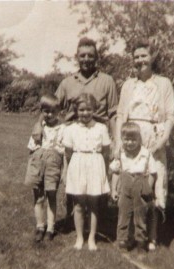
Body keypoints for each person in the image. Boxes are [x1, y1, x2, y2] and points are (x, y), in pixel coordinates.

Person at [32, 37, 118, 223]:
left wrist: (116, 141)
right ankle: (73, 216)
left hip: (98, 136)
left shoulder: (107, 81)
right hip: (73, 137)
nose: (86, 59)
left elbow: (113, 114)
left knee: (98, 178)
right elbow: (50, 106)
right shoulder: (67, 82)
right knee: (72, 177)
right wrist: (38, 124)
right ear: (77, 57)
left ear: (96, 58)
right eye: (83, 55)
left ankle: (98, 219)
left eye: (90, 55)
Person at [115, 39, 174, 250]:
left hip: (154, 137)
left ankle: (152, 236)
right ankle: (131, 235)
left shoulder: (164, 83)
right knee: (132, 186)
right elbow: (121, 114)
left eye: (144, 55)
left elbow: (170, 115)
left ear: (152, 58)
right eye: (136, 57)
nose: (140, 60)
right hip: (131, 137)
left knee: (152, 186)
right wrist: (117, 143)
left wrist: (163, 139)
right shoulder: (128, 85)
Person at [63, 93, 111, 251]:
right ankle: (79, 237)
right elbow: (68, 152)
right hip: (77, 164)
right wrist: (68, 170)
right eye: (81, 110)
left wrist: (103, 172)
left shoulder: (101, 128)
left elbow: (105, 151)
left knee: (93, 204)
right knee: (78, 204)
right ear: (76, 110)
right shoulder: (70, 129)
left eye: (89, 110)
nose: (85, 113)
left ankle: (91, 238)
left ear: (94, 110)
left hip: (95, 164)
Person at [110, 122, 157, 252]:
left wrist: (147, 189)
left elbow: (153, 173)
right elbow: (115, 172)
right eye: (126, 139)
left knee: (140, 215)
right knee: (123, 214)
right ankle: (123, 241)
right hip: (125, 186)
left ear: (139, 139)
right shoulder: (120, 154)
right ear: (122, 139)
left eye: (133, 139)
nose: (130, 143)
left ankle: (141, 242)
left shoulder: (146, 154)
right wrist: (114, 189)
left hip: (140, 185)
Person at [24, 95, 65, 242]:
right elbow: (32, 150)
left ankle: (51, 228)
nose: (49, 115)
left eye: (53, 111)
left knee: (51, 196)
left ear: (58, 112)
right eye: (46, 111)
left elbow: (64, 153)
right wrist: (31, 168)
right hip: (37, 163)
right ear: (42, 111)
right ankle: (40, 226)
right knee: (38, 197)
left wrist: (63, 171)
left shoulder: (62, 129)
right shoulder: (38, 129)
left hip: (53, 164)